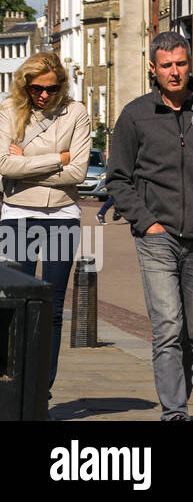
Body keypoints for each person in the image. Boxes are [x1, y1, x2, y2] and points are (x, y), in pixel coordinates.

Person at [104, 31, 193, 420]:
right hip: (156, 238)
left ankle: (179, 395)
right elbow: (118, 178)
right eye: (166, 65)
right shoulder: (135, 115)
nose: (175, 72)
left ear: (189, 64)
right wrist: (146, 223)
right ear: (153, 68)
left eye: (181, 63)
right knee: (167, 326)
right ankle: (175, 411)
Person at [0, 51, 92, 393]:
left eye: (51, 89)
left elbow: (79, 172)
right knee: (14, 305)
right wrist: (58, 159)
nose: (43, 95)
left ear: (61, 86)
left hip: (61, 216)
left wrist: (29, 165)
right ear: (25, 84)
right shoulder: (9, 110)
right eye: (37, 88)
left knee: (51, 308)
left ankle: (41, 392)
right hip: (18, 214)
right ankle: (13, 388)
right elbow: (5, 166)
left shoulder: (76, 113)